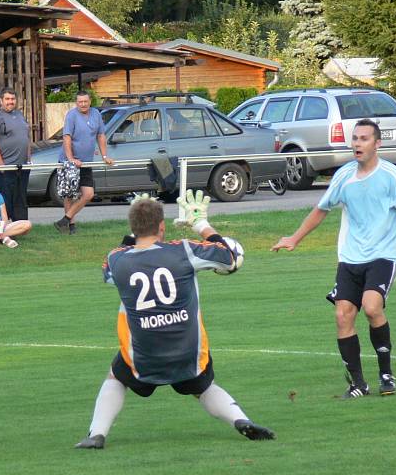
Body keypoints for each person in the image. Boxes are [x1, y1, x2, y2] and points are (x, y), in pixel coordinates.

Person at [75, 192, 275, 450]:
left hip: (145, 353)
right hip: (187, 349)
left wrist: (135, 229)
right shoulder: (183, 249)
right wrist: (201, 224)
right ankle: (240, 420)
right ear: (162, 227)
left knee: (116, 376)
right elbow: (230, 257)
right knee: (202, 386)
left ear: (133, 228)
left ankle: (97, 434)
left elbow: (112, 269)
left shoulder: (116, 259)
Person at [271, 119, 396, 399]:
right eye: (355, 138)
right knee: (342, 315)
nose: (357, 144)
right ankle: (359, 384)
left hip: (384, 255)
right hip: (350, 257)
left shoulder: (391, 175)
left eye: (364, 139)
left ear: (377, 144)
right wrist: (294, 238)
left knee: (371, 308)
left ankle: (386, 374)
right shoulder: (344, 175)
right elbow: (321, 209)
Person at [54, 90, 114, 235]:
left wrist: (104, 156)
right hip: (69, 162)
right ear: (76, 103)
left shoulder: (96, 114)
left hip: (87, 162)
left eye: (85, 101)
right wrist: (71, 159)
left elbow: (101, 135)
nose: (83, 104)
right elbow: (67, 138)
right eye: (80, 102)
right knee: (69, 194)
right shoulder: (71, 115)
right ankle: (71, 225)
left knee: (88, 194)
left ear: (90, 102)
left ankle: (65, 219)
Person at [0, 87, 31, 222]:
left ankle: (19, 227)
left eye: (12, 99)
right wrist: (2, 166)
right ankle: (2, 230)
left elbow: (26, 137)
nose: (10, 102)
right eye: (7, 99)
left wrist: (28, 159)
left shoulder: (20, 115)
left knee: (21, 198)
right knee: (6, 200)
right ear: (1, 100)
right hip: (6, 167)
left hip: (22, 166)